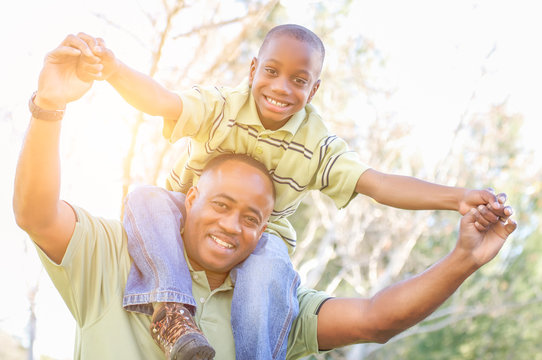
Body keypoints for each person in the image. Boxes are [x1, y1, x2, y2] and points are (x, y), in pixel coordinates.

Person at [13, 34, 517, 359]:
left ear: (314, 90)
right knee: (144, 197)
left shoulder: (270, 293)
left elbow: (376, 309)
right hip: (160, 225)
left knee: (271, 264)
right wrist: (86, 85)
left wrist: (460, 226)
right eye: (220, 206)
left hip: (269, 260)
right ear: (253, 69)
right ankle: (170, 309)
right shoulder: (114, 258)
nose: (233, 225)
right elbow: (37, 212)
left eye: (251, 215)